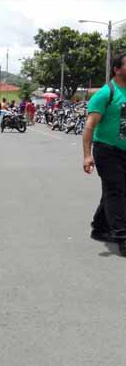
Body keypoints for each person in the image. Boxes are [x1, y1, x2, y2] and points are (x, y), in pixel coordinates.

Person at [83, 52, 126, 254]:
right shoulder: (105, 93)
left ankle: (100, 227)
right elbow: (90, 127)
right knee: (116, 190)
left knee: (113, 190)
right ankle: (122, 236)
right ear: (117, 69)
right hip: (107, 151)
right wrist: (87, 155)